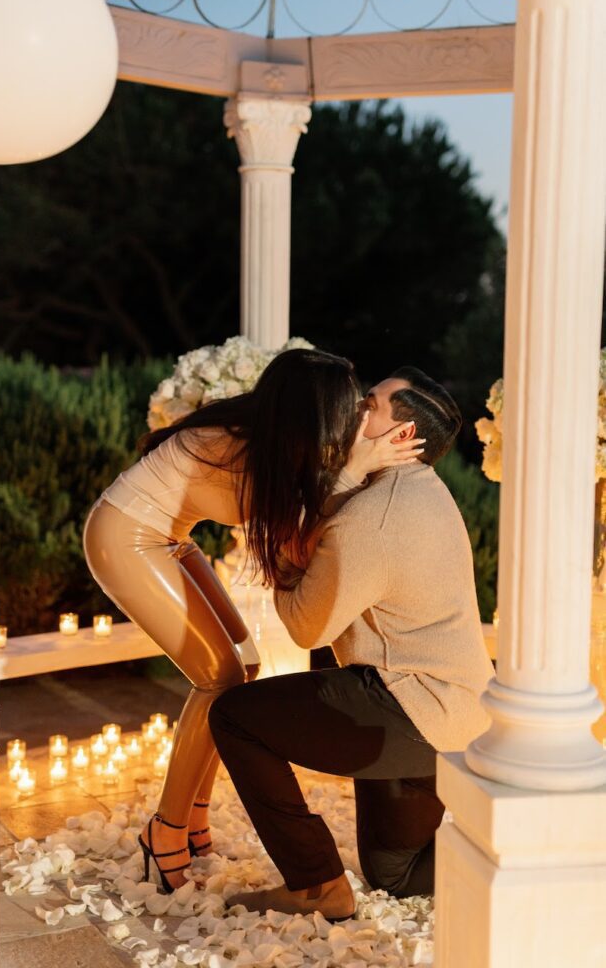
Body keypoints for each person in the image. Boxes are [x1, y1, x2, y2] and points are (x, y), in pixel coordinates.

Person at [83, 348, 422, 893]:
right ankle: (166, 830)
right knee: (218, 676)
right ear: (312, 412)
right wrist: (358, 465)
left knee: (244, 666)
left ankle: (191, 814)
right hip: (125, 535)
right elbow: (308, 532)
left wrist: (358, 461)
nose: (356, 416)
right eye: (348, 407)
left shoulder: (272, 440)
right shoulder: (252, 452)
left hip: (170, 537)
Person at [209, 367, 495, 921]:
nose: (354, 408)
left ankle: (316, 886)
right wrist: (340, 482)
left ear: (402, 437)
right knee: (398, 875)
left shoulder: (373, 517)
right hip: (455, 714)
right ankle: (536, 852)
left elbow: (304, 629)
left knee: (235, 717)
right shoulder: (417, 489)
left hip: (408, 704)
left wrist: (292, 557)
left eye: (369, 405)